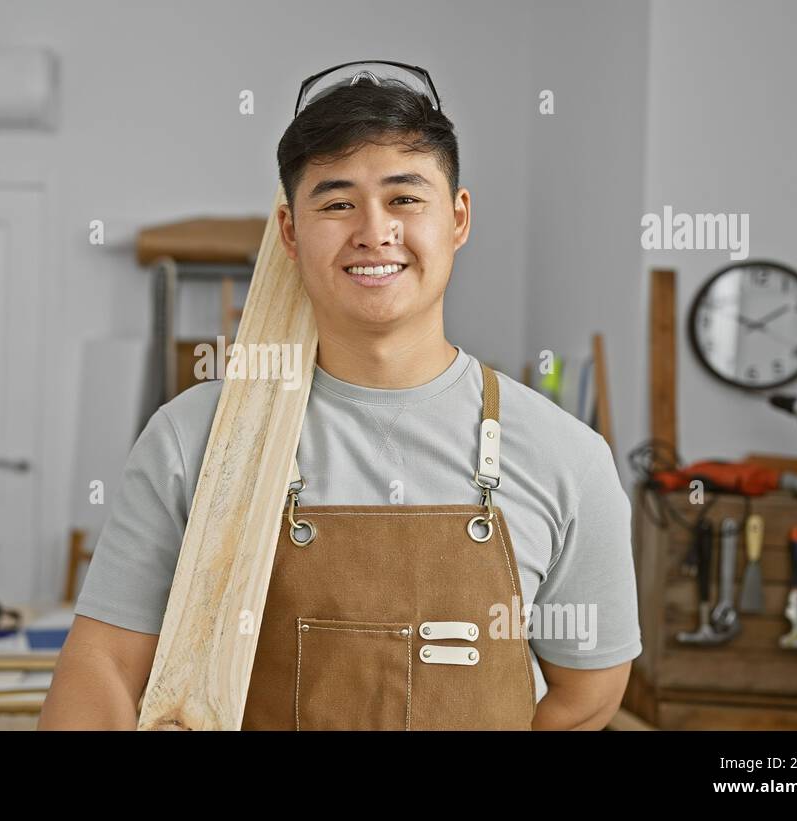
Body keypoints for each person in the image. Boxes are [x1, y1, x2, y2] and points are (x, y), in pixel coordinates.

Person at [40, 61, 640, 730]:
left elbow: (587, 697)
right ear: (290, 233)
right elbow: (102, 665)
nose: (373, 231)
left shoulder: (568, 457)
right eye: (336, 202)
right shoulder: (197, 440)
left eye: (405, 197)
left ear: (459, 218)